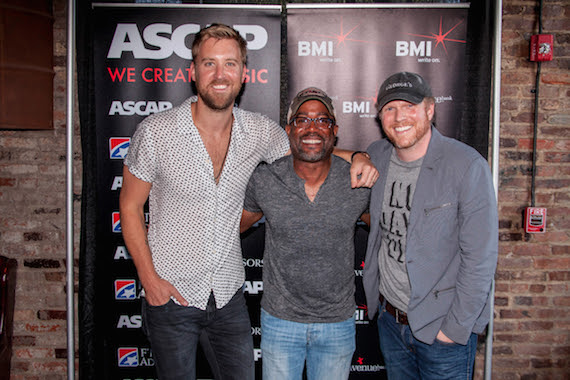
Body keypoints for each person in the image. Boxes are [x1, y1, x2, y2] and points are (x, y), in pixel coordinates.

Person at [119, 24, 378, 380]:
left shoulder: (259, 132)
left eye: (230, 64)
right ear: (193, 72)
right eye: (209, 64)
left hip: (228, 297)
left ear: (244, 73)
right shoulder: (156, 131)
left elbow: (309, 149)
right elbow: (130, 208)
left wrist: (361, 156)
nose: (220, 74)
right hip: (171, 297)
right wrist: (149, 280)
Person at [362, 72, 498, 380]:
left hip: (442, 331)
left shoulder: (466, 165)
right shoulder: (377, 156)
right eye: (390, 108)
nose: (399, 117)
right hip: (391, 321)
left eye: (409, 106)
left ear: (430, 109)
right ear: (380, 115)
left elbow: (481, 257)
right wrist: (357, 156)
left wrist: (454, 329)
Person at [240, 87, 371, 380]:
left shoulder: (357, 181)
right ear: (289, 129)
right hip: (279, 322)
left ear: (334, 130)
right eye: (302, 120)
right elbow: (233, 227)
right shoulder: (265, 179)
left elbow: (390, 231)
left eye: (322, 121)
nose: (312, 128)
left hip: (337, 323)